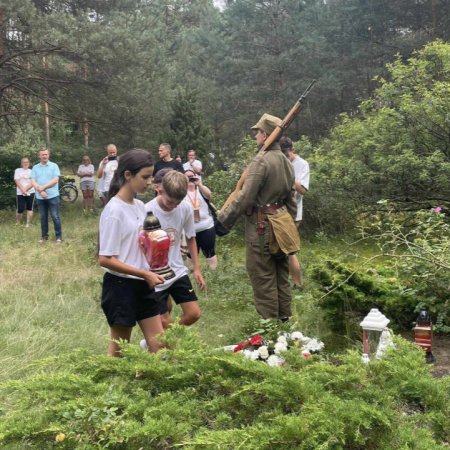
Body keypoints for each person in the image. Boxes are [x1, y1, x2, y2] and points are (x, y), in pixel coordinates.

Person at [218, 113, 297, 320]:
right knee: (282, 278)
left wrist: (222, 222)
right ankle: (284, 327)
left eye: (258, 133)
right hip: (282, 226)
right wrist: (290, 226)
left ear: (266, 134)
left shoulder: (261, 161)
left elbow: (245, 197)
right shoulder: (286, 161)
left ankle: (270, 334)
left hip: (262, 228)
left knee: (263, 278)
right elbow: (291, 201)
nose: (256, 137)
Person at [98, 148, 165, 357]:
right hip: (121, 287)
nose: (149, 182)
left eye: (151, 176)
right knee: (119, 351)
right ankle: (104, 389)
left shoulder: (140, 206)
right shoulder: (114, 210)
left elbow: (141, 245)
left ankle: (145, 383)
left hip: (143, 284)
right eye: (144, 177)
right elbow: (105, 259)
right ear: (128, 175)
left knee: (160, 347)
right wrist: (144, 273)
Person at [145, 170, 206, 329]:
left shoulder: (184, 208)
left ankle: (163, 336)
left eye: (177, 203)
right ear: (160, 189)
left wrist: (197, 269)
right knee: (164, 321)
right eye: (170, 202)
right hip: (154, 274)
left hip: (177, 269)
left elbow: (191, 238)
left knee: (194, 314)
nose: (173, 206)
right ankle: (163, 342)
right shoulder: (146, 211)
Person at [280, 137, 310, 288]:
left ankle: (298, 284)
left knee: (289, 249)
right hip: (278, 212)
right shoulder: (279, 161)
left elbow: (303, 190)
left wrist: (289, 175)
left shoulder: (302, 164)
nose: (286, 159)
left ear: (293, 149)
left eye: (287, 156)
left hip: (294, 214)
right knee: (280, 249)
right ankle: (284, 282)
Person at [184, 169, 218, 270]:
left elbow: (209, 195)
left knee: (210, 252)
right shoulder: (182, 192)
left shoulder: (201, 189)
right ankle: (192, 273)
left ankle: (214, 273)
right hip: (190, 229)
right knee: (190, 254)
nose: (190, 178)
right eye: (187, 177)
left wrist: (199, 184)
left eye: (191, 176)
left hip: (206, 226)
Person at [31, 148, 62, 243]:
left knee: (55, 216)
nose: (44, 156)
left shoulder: (54, 166)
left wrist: (43, 188)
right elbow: (33, 181)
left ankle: (58, 237)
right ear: (39, 156)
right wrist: (40, 191)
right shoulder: (35, 167)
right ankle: (44, 237)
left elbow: (55, 180)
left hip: (53, 196)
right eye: (42, 154)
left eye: (46, 154)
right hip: (40, 197)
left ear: (48, 155)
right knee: (43, 217)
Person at [14, 157, 35, 227]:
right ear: (22, 163)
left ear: (29, 163)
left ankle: (28, 224)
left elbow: (33, 182)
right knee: (20, 209)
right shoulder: (18, 170)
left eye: (27, 162)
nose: (26, 163)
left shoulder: (32, 171)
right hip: (20, 192)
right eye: (24, 162)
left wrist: (26, 189)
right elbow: (17, 181)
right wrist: (23, 190)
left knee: (29, 208)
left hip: (31, 192)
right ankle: (18, 223)